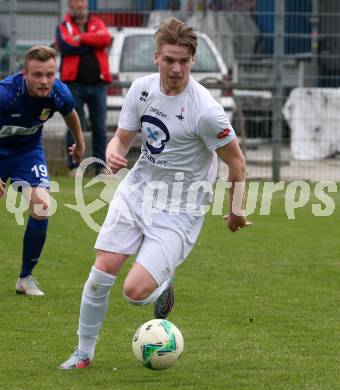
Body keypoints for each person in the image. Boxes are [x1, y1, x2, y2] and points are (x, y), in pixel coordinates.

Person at [59, 17, 250, 370]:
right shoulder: (142, 90)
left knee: (135, 293)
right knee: (101, 273)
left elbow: (236, 163)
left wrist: (236, 210)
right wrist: (116, 150)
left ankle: (161, 285)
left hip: (180, 208)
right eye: (169, 60)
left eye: (184, 61)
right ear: (156, 57)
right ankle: (83, 353)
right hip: (137, 191)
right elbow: (123, 135)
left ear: (192, 60)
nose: (176, 69)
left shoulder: (206, 111)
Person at [0, 45, 85, 296]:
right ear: (25, 73)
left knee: (42, 205)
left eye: (50, 74)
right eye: (37, 75)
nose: (44, 81)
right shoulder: (6, 95)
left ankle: (25, 278)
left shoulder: (58, 93)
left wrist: (79, 144)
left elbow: (71, 114)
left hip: (26, 153)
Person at [55, 0, 112, 176]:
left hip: (98, 85)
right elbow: (65, 46)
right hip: (74, 85)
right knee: (74, 126)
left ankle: (101, 166)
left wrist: (80, 39)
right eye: (76, 6)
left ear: (86, 7)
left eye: (82, 6)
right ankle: (75, 167)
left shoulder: (97, 22)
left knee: (100, 127)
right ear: (70, 8)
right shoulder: (63, 26)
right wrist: (92, 44)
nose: (79, 9)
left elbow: (105, 39)